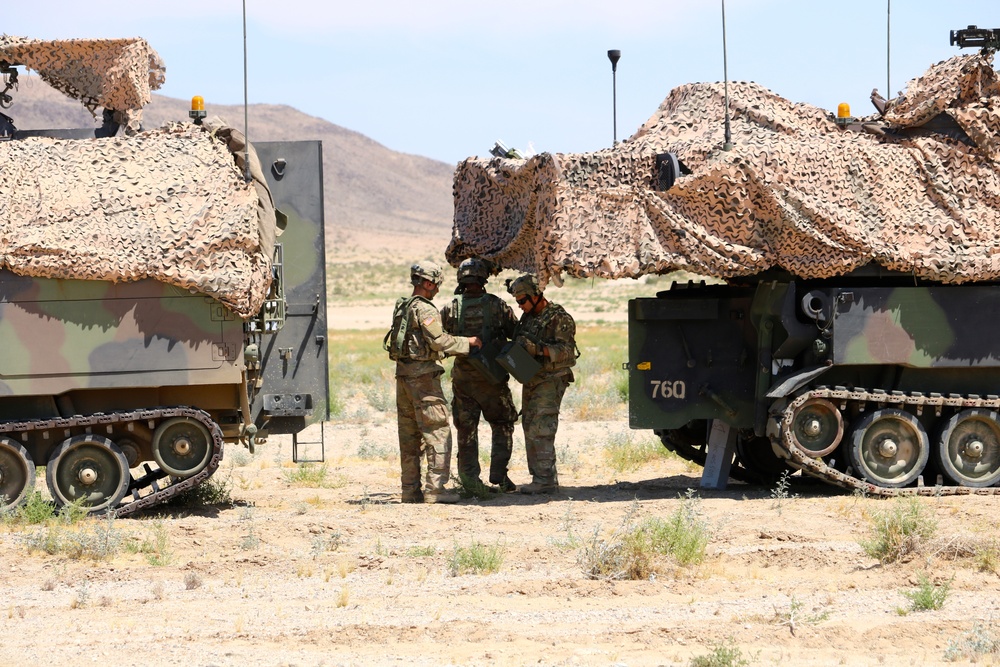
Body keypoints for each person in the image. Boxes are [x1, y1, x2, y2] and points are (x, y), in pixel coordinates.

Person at [384, 261, 481, 504]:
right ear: (428, 283)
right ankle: (436, 490)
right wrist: (468, 343)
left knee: (409, 436)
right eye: (436, 284)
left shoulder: (403, 307)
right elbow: (439, 342)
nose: (437, 289)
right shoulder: (425, 310)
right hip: (423, 381)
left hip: (403, 378)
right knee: (437, 432)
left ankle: (410, 490)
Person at [441, 258, 520, 493]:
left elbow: (442, 341)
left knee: (466, 430)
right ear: (483, 279)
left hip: (464, 381)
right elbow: (515, 334)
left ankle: (470, 480)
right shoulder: (497, 305)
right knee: (503, 423)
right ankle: (499, 474)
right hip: (493, 380)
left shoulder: (450, 308)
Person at [506, 273, 578, 495]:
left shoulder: (559, 318)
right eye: (517, 302)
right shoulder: (528, 318)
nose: (520, 306)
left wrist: (538, 350)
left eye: (522, 301)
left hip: (551, 379)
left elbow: (568, 353)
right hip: (532, 378)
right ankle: (542, 476)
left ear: (536, 295)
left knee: (542, 426)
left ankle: (544, 480)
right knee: (529, 424)